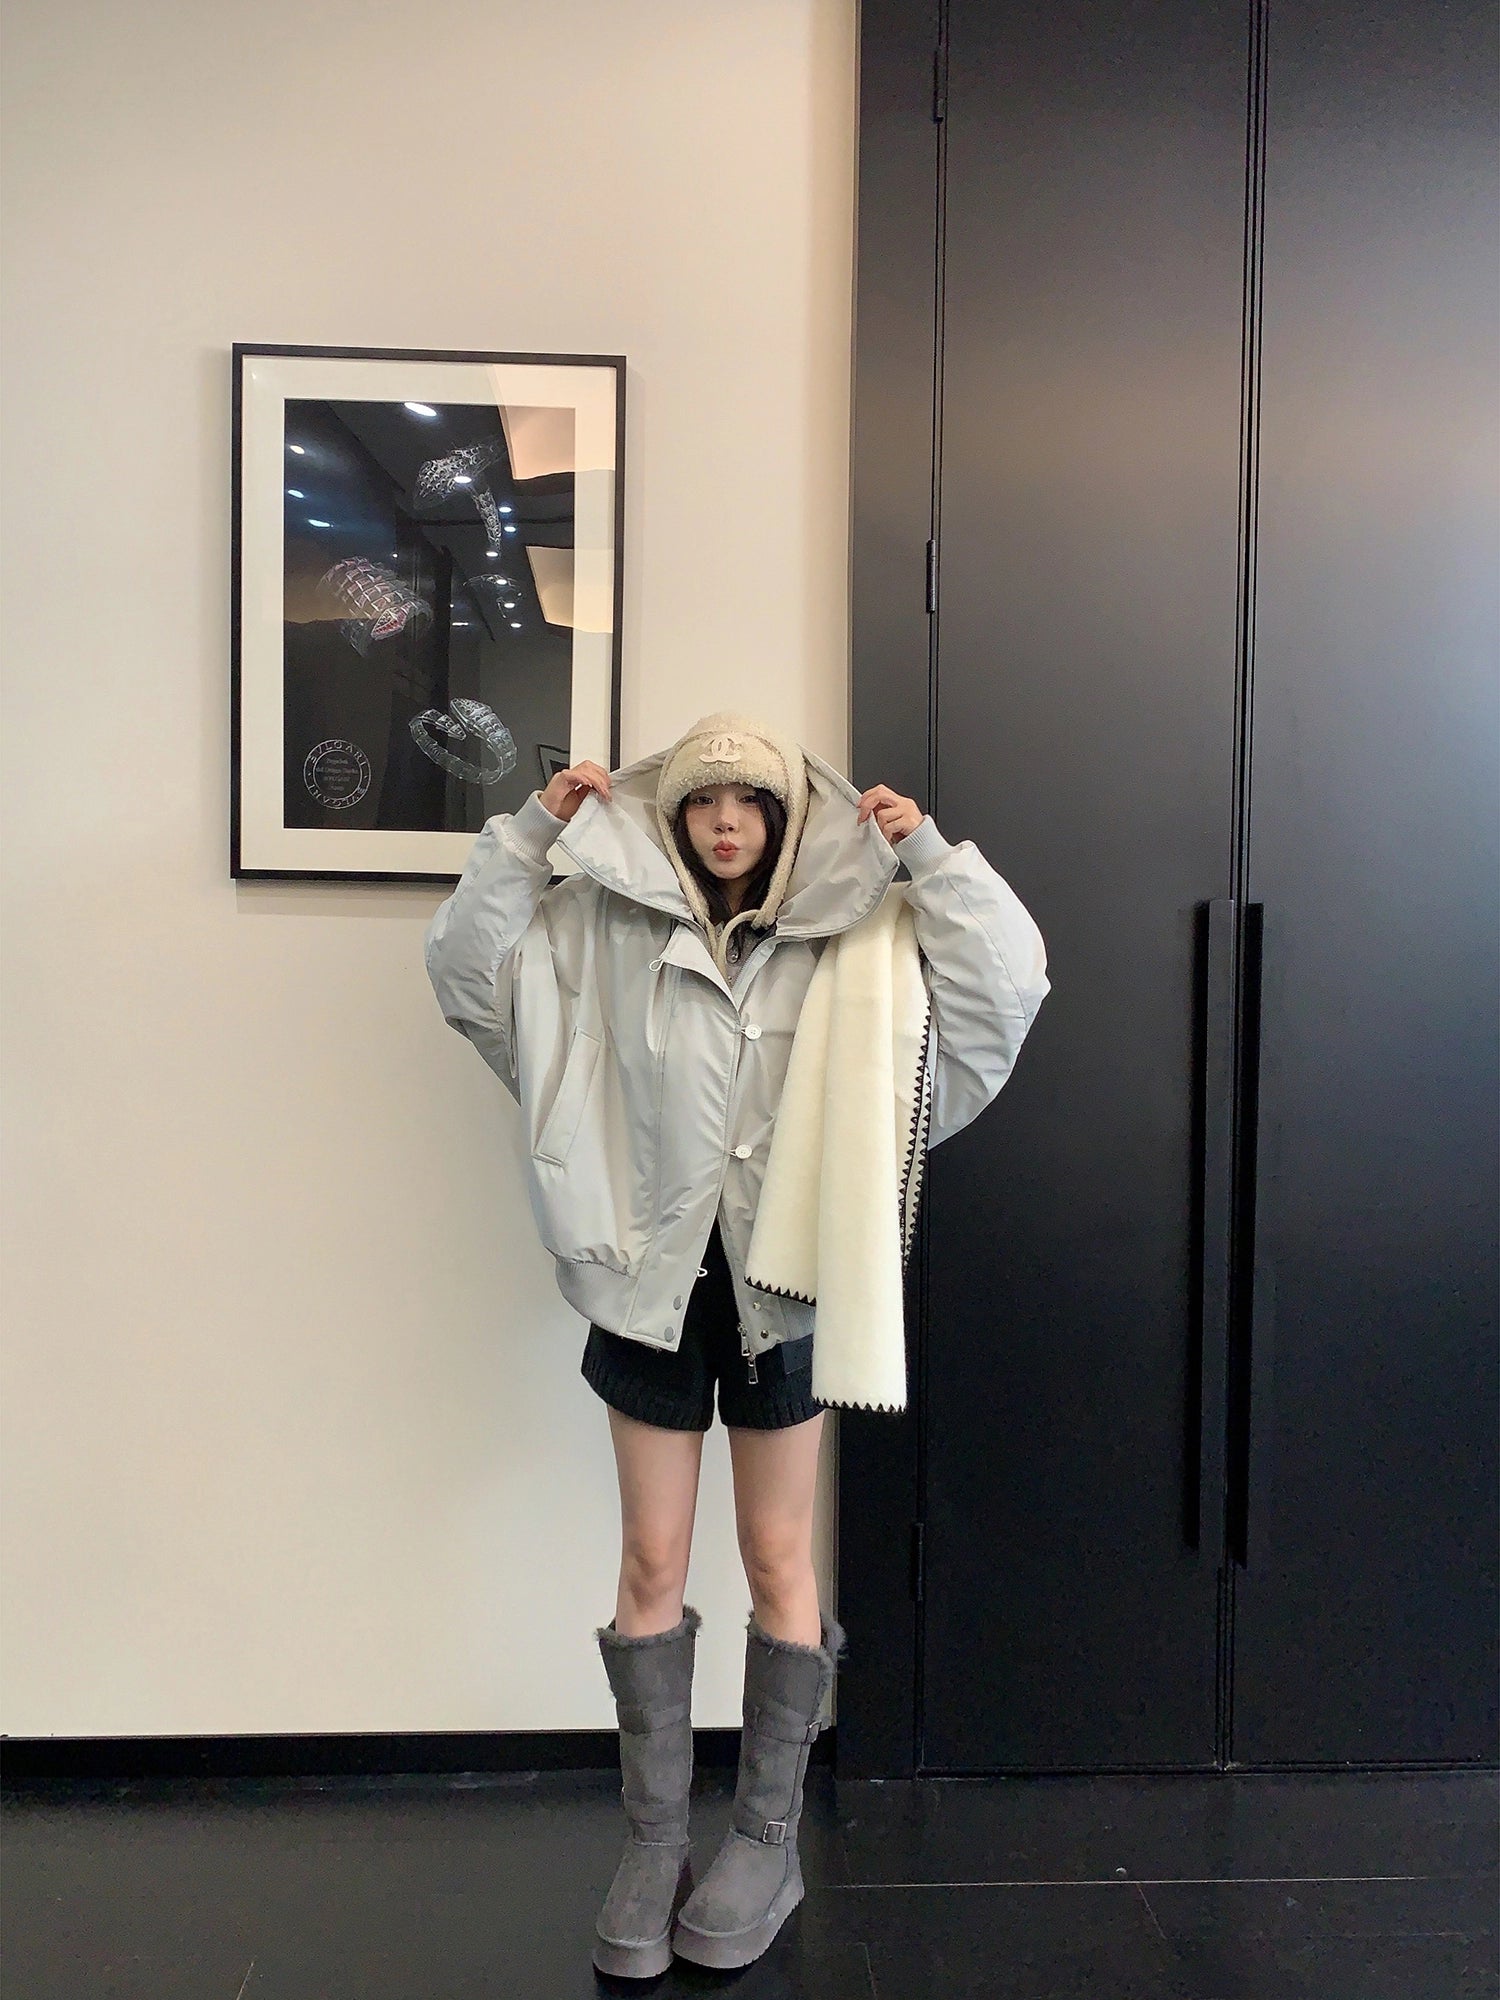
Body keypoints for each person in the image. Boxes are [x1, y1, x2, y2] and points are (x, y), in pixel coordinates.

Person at [423, 711, 1049, 1974]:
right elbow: (468, 973)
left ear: (783, 818)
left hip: (789, 1285)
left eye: (750, 802)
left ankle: (766, 1836)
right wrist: (530, 836)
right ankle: (654, 1841)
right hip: (649, 1287)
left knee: (777, 1555)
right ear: (671, 816)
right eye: (703, 800)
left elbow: (1003, 990)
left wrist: (933, 858)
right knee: (651, 1555)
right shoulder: (601, 928)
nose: (724, 821)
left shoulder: (854, 933)